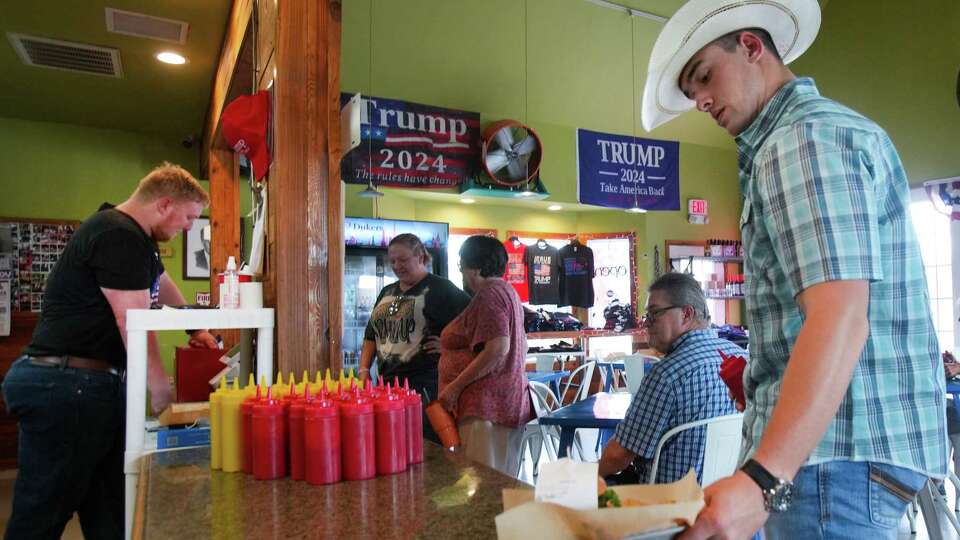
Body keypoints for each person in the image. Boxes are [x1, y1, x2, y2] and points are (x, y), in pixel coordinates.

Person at [640, 1, 947, 538]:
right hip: (848, 455)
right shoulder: (832, 132)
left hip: (831, 458)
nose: (703, 100)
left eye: (705, 76)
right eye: (693, 94)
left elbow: (839, 318)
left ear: (752, 47)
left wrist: (763, 477)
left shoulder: (798, 142)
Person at [2, 162, 218, 539]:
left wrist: (195, 326)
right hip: (68, 384)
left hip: (85, 383)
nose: (188, 228)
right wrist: (161, 391)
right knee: (42, 514)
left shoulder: (130, 235)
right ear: (164, 205)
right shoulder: (118, 234)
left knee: (110, 512)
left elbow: (161, 281)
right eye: (188, 218)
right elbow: (132, 322)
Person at [598, 272, 741, 484]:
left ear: (686, 314)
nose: (647, 323)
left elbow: (618, 456)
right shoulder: (741, 357)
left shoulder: (667, 375)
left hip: (665, 503)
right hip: (723, 497)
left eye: (654, 313)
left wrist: (585, 477)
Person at [358, 233, 470, 440]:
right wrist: (364, 369)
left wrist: (449, 347)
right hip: (386, 386)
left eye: (403, 260)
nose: (397, 266)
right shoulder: (386, 291)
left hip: (424, 388)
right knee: (391, 442)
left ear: (420, 257)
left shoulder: (442, 289)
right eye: (392, 261)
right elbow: (371, 335)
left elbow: (476, 326)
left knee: (425, 448)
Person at [437, 235, 533, 475]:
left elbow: (498, 348)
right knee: (497, 482)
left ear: (474, 267)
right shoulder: (506, 291)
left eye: (461, 263)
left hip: (486, 409)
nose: (460, 269)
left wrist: (455, 387)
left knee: (483, 485)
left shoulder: (489, 295)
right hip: (500, 405)